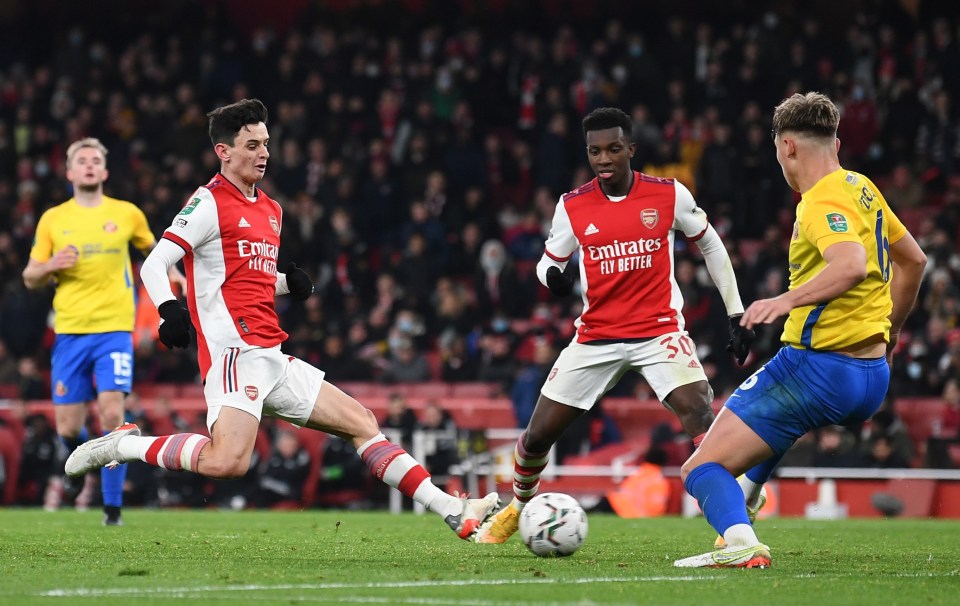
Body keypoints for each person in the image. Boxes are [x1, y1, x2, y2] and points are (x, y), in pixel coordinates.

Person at [65, 99, 499, 539]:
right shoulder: (209, 201)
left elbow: (248, 280)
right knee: (228, 463)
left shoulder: (271, 210)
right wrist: (168, 309)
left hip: (271, 355)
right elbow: (154, 264)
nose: (264, 153)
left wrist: (291, 285)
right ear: (224, 152)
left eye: (266, 143)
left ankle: (450, 509)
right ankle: (122, 444)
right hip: (234, 354)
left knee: (363, 422)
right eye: (251, 145)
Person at [475, 107, 754, 544]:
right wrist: (555, 277)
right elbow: (547, 264)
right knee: (535, 439)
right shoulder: (572, 205)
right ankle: (519, 506)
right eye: (594, 151)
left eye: (613, 149)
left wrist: (735, 312)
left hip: (659, 331)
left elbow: (712, 247)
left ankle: (733, 520)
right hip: (596, 337)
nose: (603, 159)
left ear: (631, 150)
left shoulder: (668, 195)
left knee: (700, 412)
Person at [673, 92, 927, 569]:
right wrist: (887, 335)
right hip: (871, 376)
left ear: (787, 147)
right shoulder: (862, 187)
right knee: (779, 420)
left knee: (701, 466)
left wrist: (784, 300)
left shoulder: (817, 202)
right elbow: (914, 260)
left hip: (818, 369)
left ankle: (742, 541)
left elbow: (850, 264)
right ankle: (748, 494)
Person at [22, 137, 186, 526]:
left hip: (114, 330)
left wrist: (175, 271)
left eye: (97, 160)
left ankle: (112, 511)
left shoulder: (127, 214)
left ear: (106, 171)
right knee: (67, 426)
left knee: (113, 413)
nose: (90, 166)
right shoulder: (53, 219)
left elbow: (156, 251)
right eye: (83, 161)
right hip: (69, 332)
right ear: (70, 172)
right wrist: (49, 266)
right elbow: (29, 276)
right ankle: (78, 462)